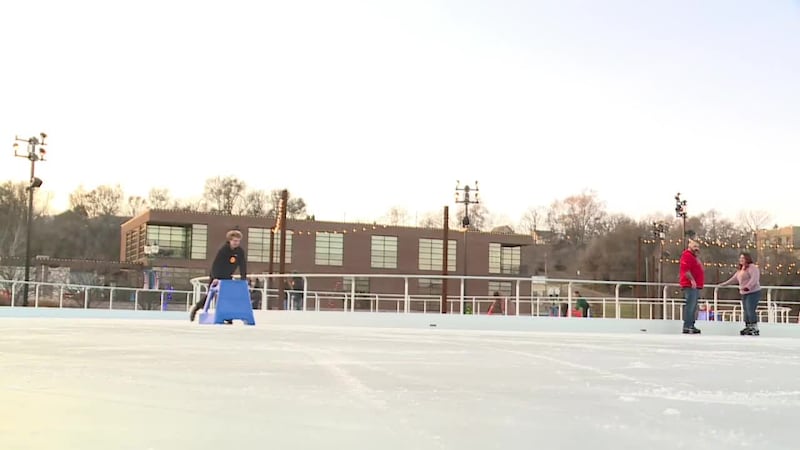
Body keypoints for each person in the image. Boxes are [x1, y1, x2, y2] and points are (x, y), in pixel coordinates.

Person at [189, 229, 247, 322]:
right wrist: (216, 278)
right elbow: (216, 265)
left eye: (238, 241)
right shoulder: (223, 250)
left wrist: (243, 278)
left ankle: (227, 317)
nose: (236, 243)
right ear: (230, 240)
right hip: (217, 274)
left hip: (227, 275)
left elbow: (242, 265)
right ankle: (196, 308)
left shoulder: (240, 251)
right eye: (234, 241)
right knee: (210, 295)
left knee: (228, 296)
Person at [719, 252, 762, 336]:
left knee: (750, 309)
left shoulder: (752, 268)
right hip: (744, 293)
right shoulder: (741, 269)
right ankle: (748, 325)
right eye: (740, 258)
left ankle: (754, 326)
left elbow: (754, 278)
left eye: (743, 258)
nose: (741, 260)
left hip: (753, 292)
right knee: (746, 310)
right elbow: (734, 279)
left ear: (747, 259)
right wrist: (724, 284)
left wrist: (748, 287)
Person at [679, 240, 704, 334]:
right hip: (690, 285)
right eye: (694, 246)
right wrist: (692, 280)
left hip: (695, 286)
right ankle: (687, 325)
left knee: (693, 306)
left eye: (697, 247)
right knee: (690, 306)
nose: (697, 249)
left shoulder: (694, 257)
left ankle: (691, 325)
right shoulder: (687, 255)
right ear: (690, 247)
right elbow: (685, 270)